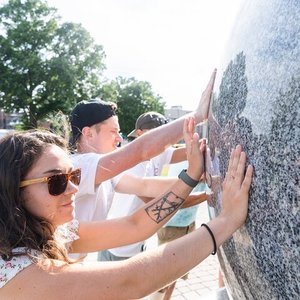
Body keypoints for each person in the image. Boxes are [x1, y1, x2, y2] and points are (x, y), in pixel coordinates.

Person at [0, 124, 253, 299]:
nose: (74, 188)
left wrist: (190, 176)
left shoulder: (50, 230)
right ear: (14, 191)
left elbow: (134, 226)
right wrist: (227, 220)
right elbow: (132, 281)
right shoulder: (16, 270)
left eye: (74, 175)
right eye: (56, 181)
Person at [68, 70, 217, 258]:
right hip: (60, 269)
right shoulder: (76, 165)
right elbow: (142, 151)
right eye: (113, 131)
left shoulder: (103, 171)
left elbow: (146, 185)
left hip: (81, 260)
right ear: (88, 133)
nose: (118, 139)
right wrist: (196, 115)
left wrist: (200, 177)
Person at [100, 112, 203, 261]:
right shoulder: (131, 163)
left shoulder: (160, 153)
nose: (161, 141)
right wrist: (206, 195)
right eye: (155, 135)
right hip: (119, 246)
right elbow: (158, 203)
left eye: (164, 136)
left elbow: (191, 150)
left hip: (135, 242)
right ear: (140, 133)